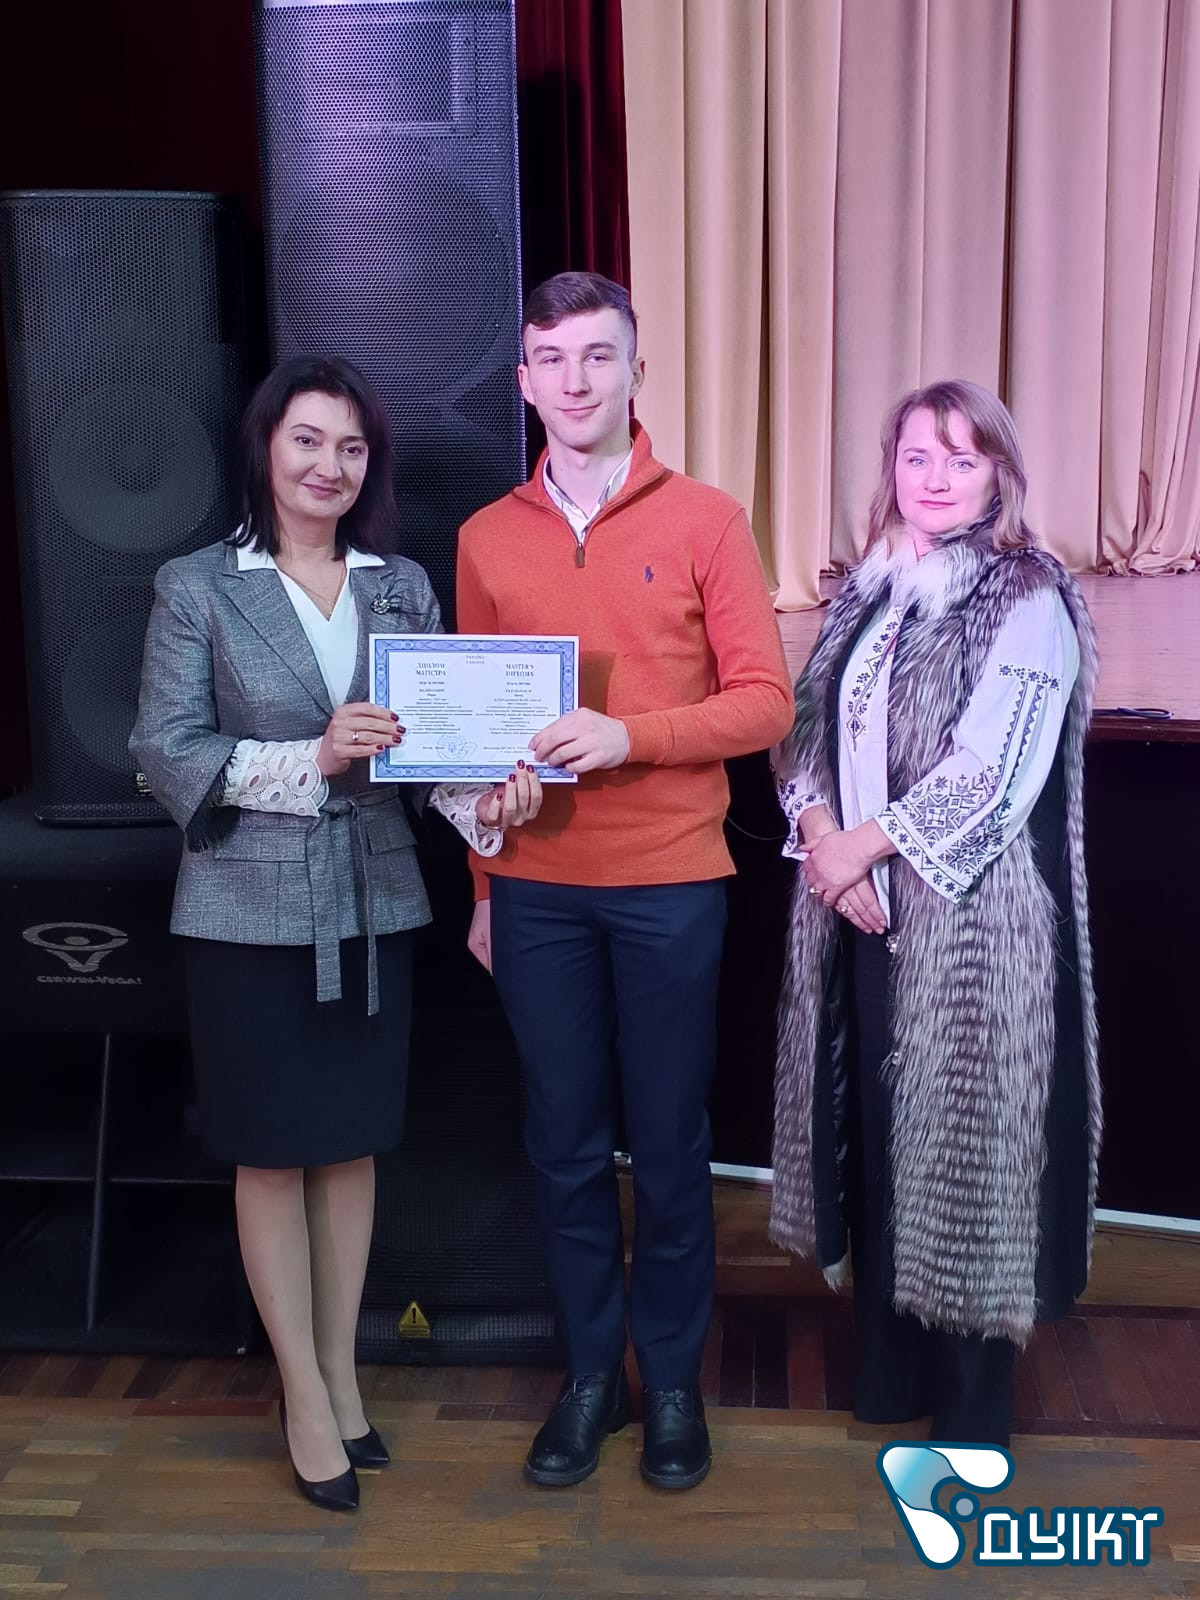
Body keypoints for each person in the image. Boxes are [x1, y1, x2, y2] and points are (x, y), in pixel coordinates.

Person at [130, 354, 540, 1512]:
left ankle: (343, 1375)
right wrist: (313, 757)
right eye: (308, 440)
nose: (330, 465)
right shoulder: (197, 585)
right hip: (244, 914)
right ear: (266, 448)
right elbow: (166, 751)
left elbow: (431, 755)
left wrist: (491, 801)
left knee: (350, 1146)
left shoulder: (398, 584)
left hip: (372, 901)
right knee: (272, 1152)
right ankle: (304, 1397)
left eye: (352, 447)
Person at [457, 271, 794, 1490]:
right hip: (536, 891)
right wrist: (486, 889)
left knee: (668, 1145)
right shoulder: (486, 536)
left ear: (637, 371)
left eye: (599, 356)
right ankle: (594, 1376)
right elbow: (474, 740)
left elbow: (766, 704)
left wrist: (629, 737)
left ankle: (675, 1386)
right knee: (562, 1143)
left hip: (669, 884)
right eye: (553, 359)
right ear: (525, 381)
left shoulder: (707, 519)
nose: (576, 380)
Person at [770, 379, 1100, 1448]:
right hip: (861, 911)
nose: (938, 479)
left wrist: (857, 848)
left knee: (965, 1164)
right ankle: (892, 1374)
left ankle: (968, 1412)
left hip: (970, 928)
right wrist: (822, 835)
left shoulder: (1027, 595)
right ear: (892, 470)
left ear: (1000, 473)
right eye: (918, 457)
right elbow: (803, 732)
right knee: (881, 1146)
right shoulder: (867, 588)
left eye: (963, 459)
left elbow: (992, 774)